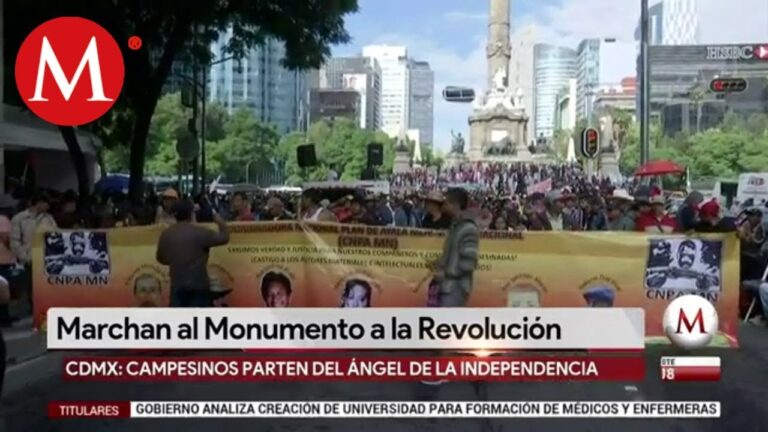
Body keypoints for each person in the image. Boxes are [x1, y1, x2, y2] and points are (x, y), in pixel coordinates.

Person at [424, 187, 479, 386]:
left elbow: (468, 263)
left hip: (456, 286)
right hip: (448, 284)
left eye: (446, 201)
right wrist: (439, 262)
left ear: (455, 204)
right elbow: (454, 257)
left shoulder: (468, 229)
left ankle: (443, 372)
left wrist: (445, 272)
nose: (443, 204)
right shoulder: (457, 227)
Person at [156, 200, 229, 307]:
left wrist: (176, 260)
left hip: (177, 285)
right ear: (191, 213)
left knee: (178, 321)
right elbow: (225, 237)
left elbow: (160, 258)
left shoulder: (167, 234)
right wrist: (217, 218)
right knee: (198, 321)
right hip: (198, 284)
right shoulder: (200, 232)